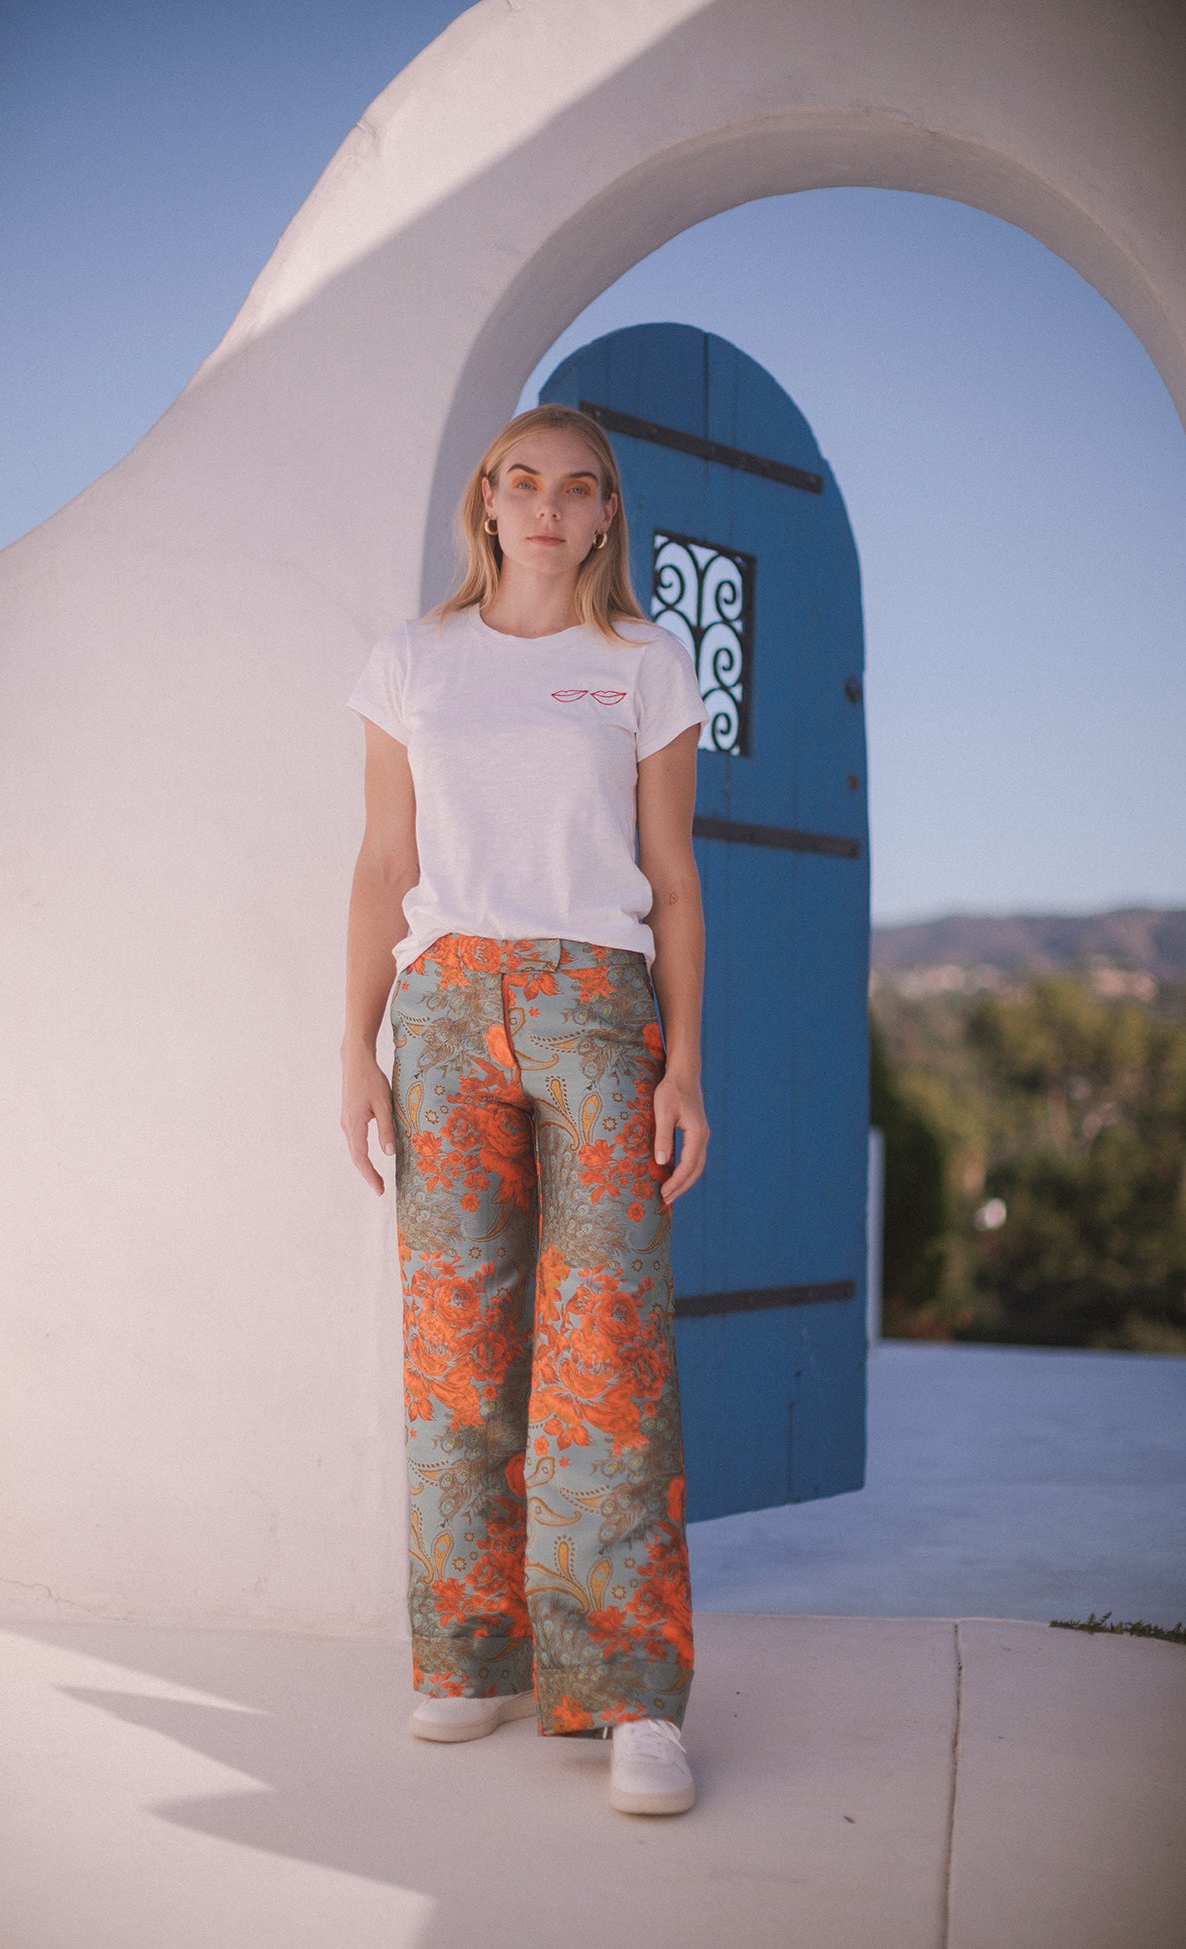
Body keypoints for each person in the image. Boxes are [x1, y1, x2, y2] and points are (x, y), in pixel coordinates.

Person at [340, 402, 711, 1817]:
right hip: (439, 1014)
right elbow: (383, 865)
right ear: (485, 502)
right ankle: (469, 1648)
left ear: (608, 513)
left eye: (577, 488)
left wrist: (684, 1064)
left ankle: (632, 1693)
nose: (546, 508)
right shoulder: (411, 663)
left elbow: (673, 877)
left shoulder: (642, 664)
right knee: (458, 1344)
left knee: (606, 1344)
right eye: (523, 482)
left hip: (599, 1009)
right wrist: (350, 1048)